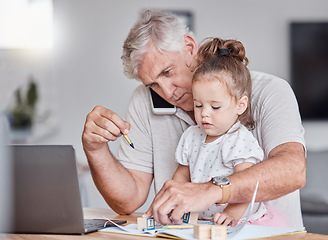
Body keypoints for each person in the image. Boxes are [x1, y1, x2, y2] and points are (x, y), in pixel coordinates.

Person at [82, 9, 306, 227]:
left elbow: (293, 171)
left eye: (168, 72)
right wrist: (95, 149)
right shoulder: (143, 100)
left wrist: (211, 191)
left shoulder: (270, 91)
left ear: (189, 46)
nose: (167, 92)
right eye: (153, 85)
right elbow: (128, 201)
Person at [172, 37, 290, 227]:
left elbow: (247, 187)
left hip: (241, 220)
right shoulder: (191, 136)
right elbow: (180, 179)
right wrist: (173, 202)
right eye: (198, 105)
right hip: (206, 222)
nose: (204, 114)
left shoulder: (239, 141)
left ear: (240, 105)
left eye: (215, 107)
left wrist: (231, 214)